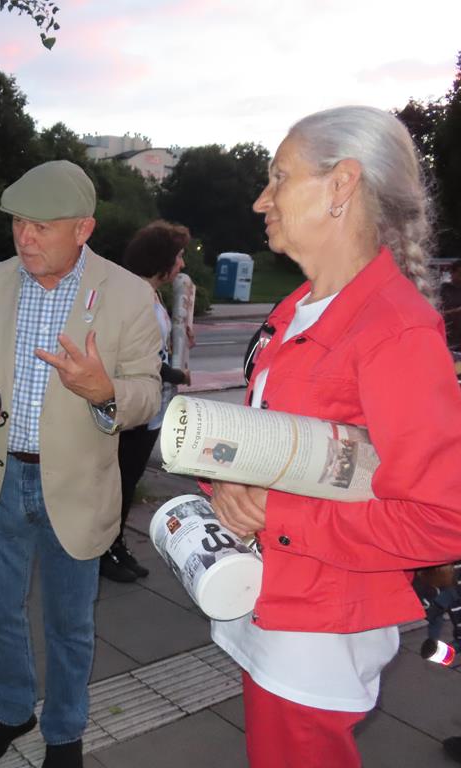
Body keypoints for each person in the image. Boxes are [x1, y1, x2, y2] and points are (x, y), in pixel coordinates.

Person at [210, 106, 461, 768]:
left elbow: (444, 520)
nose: (262, 199)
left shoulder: (394, 331)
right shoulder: (298, 309)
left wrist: (280, 517)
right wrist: (225, 481)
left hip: (315, 641)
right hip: (273, 611)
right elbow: (282, 448)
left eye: (279, 177)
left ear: (342, 184)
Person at [0, 160, 161, 768]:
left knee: (70, 623)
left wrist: (104, 391)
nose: (25, 237)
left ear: (83, 228)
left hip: (78, 483)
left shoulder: (129, 294)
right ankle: (13, 709)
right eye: (18, 223)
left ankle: (64, 732)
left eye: (42, 226)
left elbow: (148, 391)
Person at [100, 220, 193, 583]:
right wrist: (176, 375)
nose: (182, 264)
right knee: (120, 484)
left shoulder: (148, 293)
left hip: (149, 410)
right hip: (134, 411)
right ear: (161, 260)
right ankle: (105, 551)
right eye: (179, 257)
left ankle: (114, 545)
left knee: (126, 482)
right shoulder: (134, 296)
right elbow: (137, 358)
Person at [440, 260, 461, 351]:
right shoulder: (444, 290)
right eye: (459, 273)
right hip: (449, 337)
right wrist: (455, 311)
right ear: (452, 273)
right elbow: (438, 313)